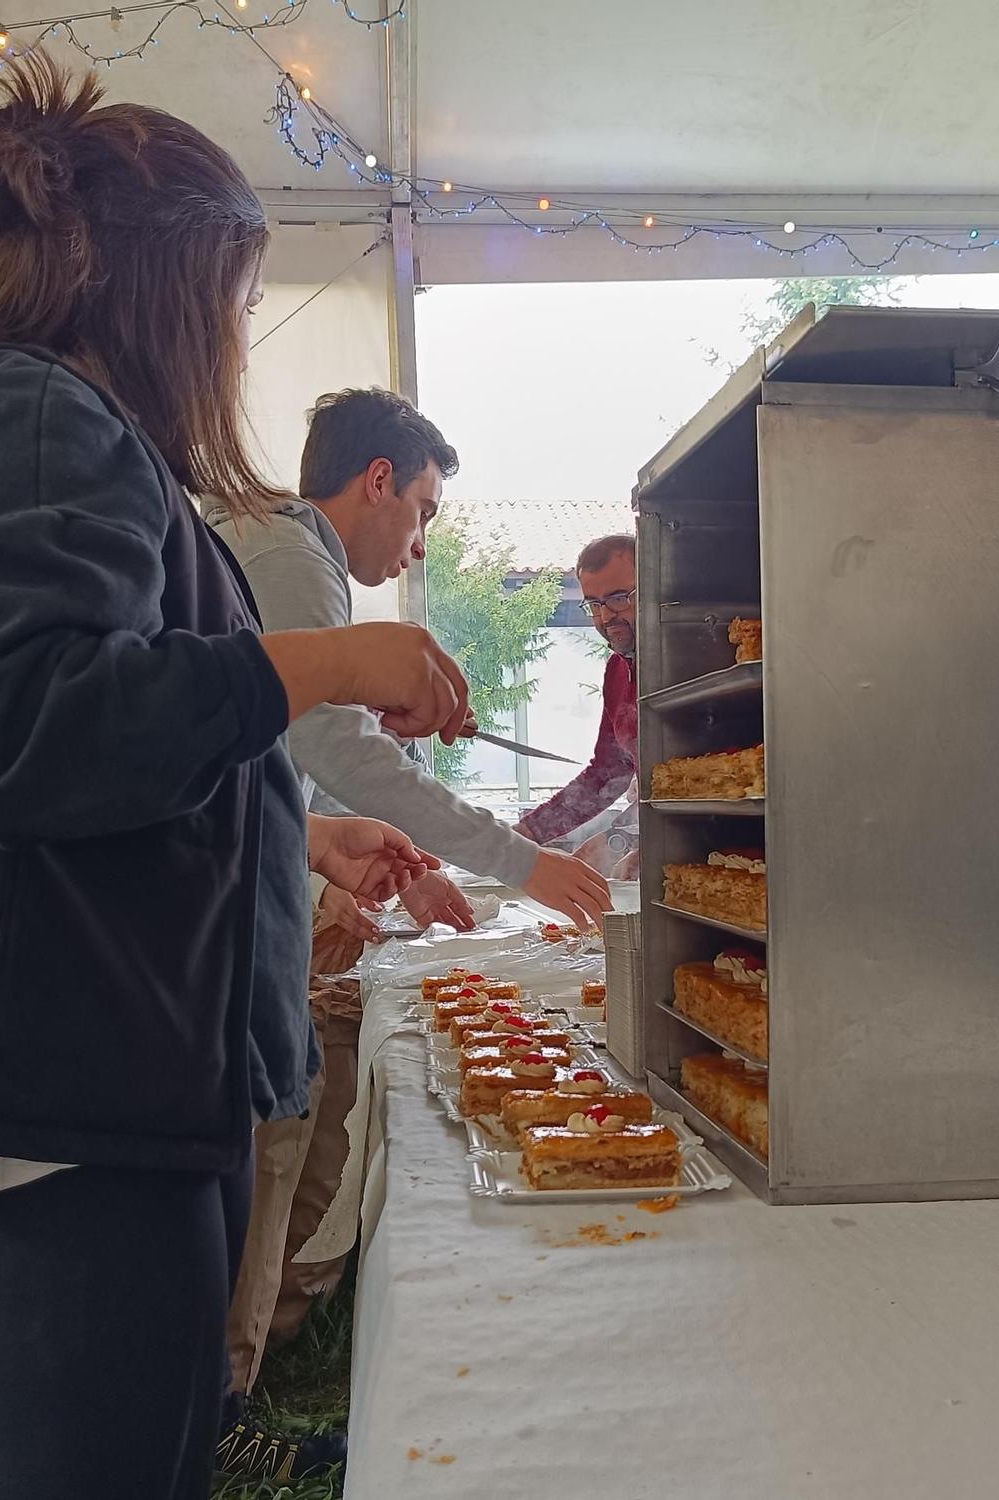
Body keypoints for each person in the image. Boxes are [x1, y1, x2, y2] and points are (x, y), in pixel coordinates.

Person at [0, 56, 470, 1500]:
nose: (228, 340)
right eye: (227, 301)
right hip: (36, 1111)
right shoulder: (27, 420)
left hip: (94, 1094)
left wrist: (293, 832)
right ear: (162, 286)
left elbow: (118, 761)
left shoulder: (72, 434)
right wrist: (333, 667)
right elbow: (25, 735)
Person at [204, 390, 611, 1444]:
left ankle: (262, 1347)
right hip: (234, 909)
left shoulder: (277, 552)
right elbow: (339, 749)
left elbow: (290, 761)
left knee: (291, 1118)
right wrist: (519, 861)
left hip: (264, 879)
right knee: (275, 1128)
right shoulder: (294, 557)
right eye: (422, 507)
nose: (420, 537)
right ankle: (227, 1397)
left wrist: (338, 848)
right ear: (376, 480)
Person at [516, 533, 640, 872]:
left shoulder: (696, 659)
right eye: (594, 604)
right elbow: (607, 773)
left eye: (618, 598)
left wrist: (635, 841)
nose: (604, 618)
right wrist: (526, 833)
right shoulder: (618, 670)